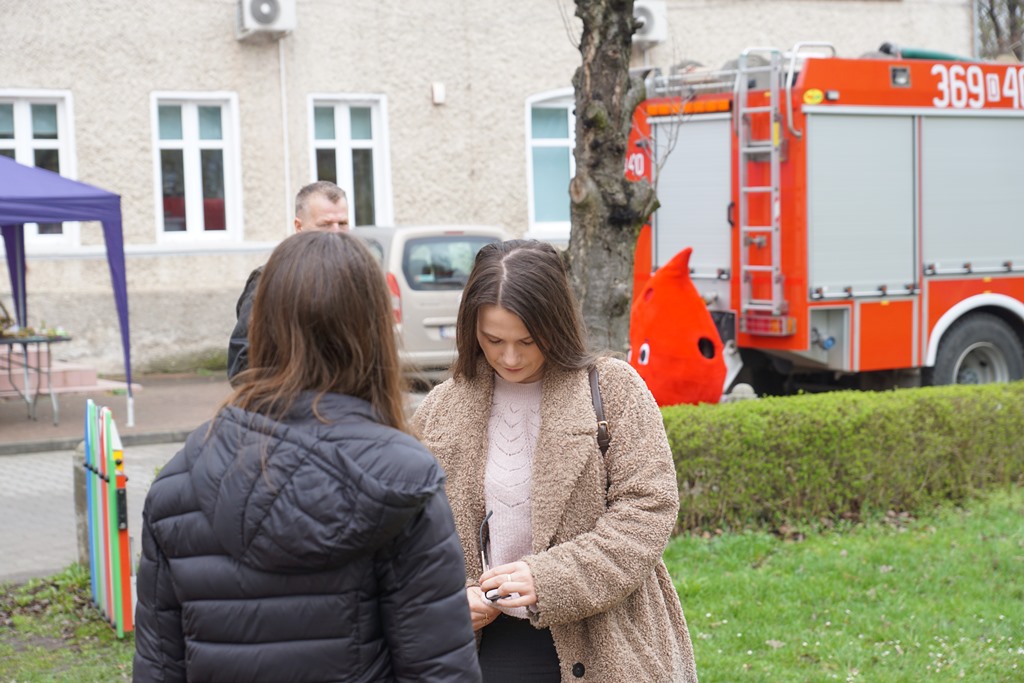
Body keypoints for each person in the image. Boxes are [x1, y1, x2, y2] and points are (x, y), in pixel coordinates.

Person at [134, 231, 481, 682]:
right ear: (372, 330)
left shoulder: (179, 482)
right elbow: (440, 672)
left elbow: (159, 671)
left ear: (261, 325)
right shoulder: (404, 479)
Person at [411, 240, 699, 682]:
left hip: (608, 638)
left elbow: (649, 506)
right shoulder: (443, 407)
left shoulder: (613, 389)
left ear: (556, 323)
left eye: (527, 340)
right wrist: (444, 601)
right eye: (493, 340)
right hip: (483, 646)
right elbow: (410, 532)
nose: (509, 357)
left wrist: (550, 580)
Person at [227, 180, 350, 381]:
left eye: (342, 224)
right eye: (325, 225)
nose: (336, 233)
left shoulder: (356, 282)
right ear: (299, 226)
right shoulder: (268, 282)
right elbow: (242, 365)